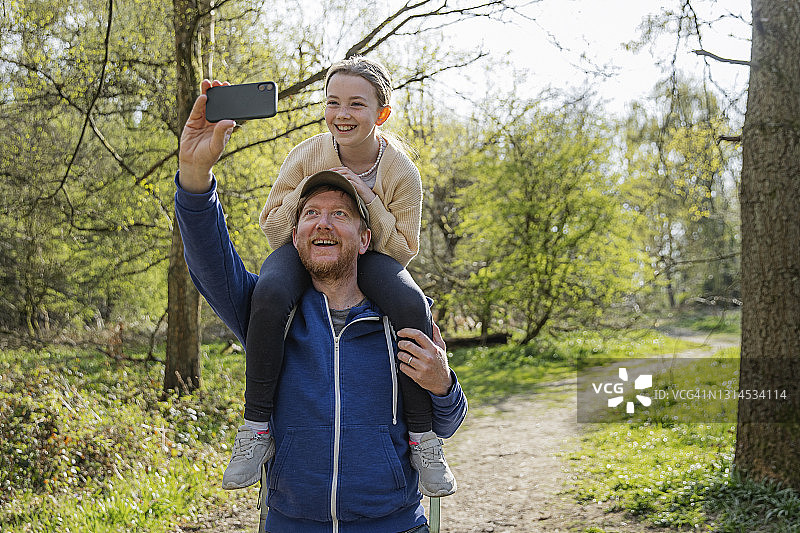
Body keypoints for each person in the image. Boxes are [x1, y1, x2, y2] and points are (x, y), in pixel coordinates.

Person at [175, 79, 468, 532]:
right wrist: (195, 177)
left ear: (366, 238)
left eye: (341, 214)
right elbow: (209, 262)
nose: (323, 223)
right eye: (310, 213)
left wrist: (442, 382)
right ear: (295, 236)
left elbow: (448, 421)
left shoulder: (401, 313)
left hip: (392, 524)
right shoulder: (270, 311)